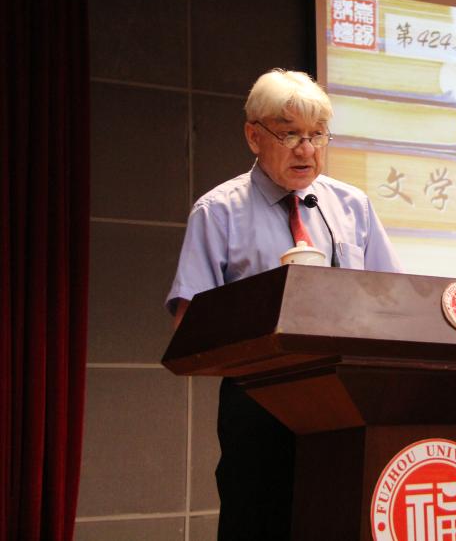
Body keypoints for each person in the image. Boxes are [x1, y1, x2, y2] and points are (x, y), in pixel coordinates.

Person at [165, 68, 402, 540]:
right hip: (259, 405)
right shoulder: (219, 212)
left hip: (346, 405)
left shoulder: (352, 206)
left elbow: (393, 302)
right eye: (290, 134)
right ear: (254, 136)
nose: (306, 150)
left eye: (317, 135)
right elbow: (190, 329)